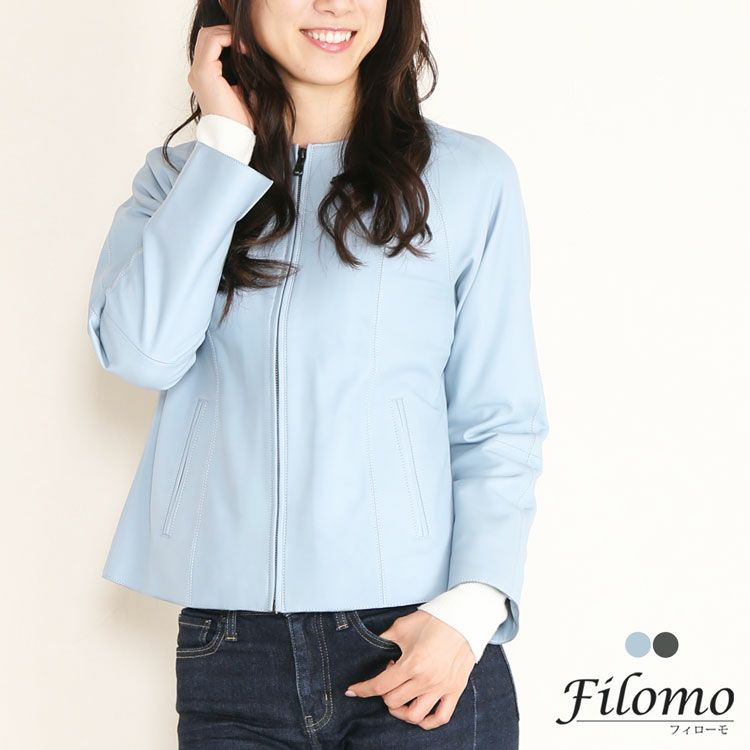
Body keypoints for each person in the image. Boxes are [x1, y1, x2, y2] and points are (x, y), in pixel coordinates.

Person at [86, 0, 549, 747]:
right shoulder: (178, 180)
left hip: (418, 636)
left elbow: (498, 419)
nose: (335, 5)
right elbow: (143, 354)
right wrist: (225, 147)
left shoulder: (468, 177)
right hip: (231, 647)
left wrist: (470, 611)